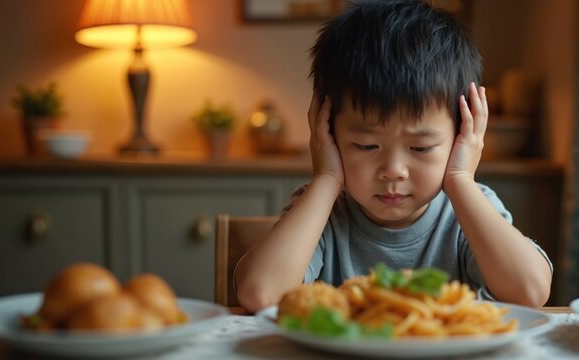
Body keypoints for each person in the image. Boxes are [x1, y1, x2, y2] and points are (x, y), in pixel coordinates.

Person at [235, 0, 552, 312]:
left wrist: (460, 180)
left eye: (421, 148)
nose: (394, 171)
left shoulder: (469, 210)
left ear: (462, 137)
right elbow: (261, 293)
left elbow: (530, 291)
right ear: (327, 136)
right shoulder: (323, 210)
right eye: (366, 145)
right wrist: (327, 179)